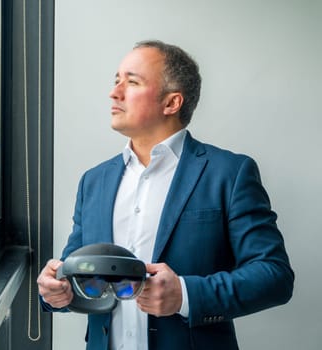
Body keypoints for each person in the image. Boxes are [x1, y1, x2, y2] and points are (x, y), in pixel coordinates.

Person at [37, 40, 294, 350]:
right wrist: (57, 290)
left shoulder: (230, 173)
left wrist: (185, 294)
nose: (114, 92)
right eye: (116, 80)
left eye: (132, 82)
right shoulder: (93, 182)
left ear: (171, 103)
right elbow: (77, 273)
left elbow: (274, 276)